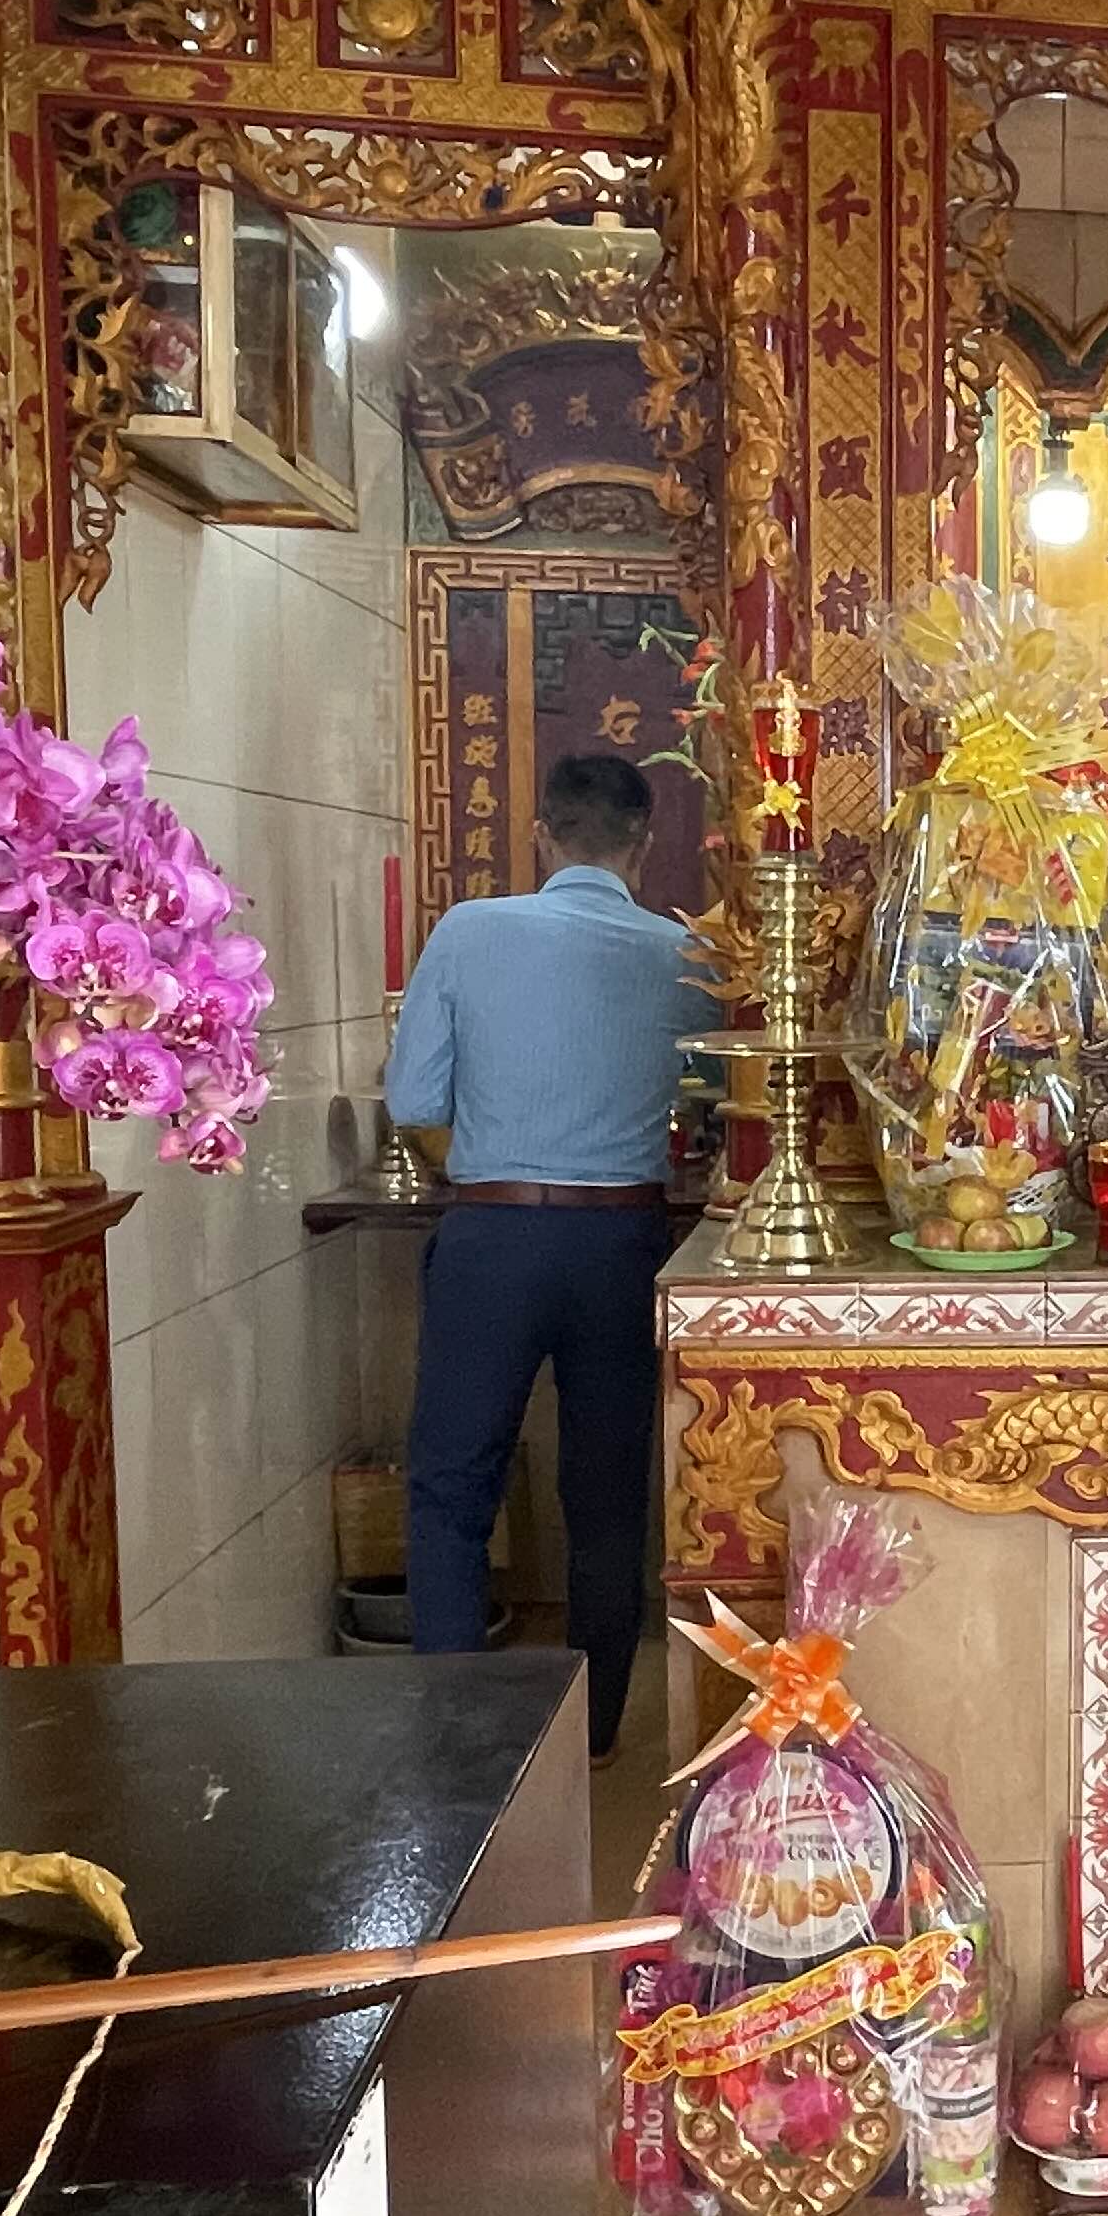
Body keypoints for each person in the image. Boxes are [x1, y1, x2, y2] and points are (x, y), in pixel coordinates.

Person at [385, 751, 719, 1760]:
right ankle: (597, 1731)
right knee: (607, 1495)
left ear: (542, 835)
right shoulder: (684, 956)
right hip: (623, 1243)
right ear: (643, 844)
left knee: (453, 1487)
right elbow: (716, 1100)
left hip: (492, 1237)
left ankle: (454, 1735)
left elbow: (413, 1101)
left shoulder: (469, 930)